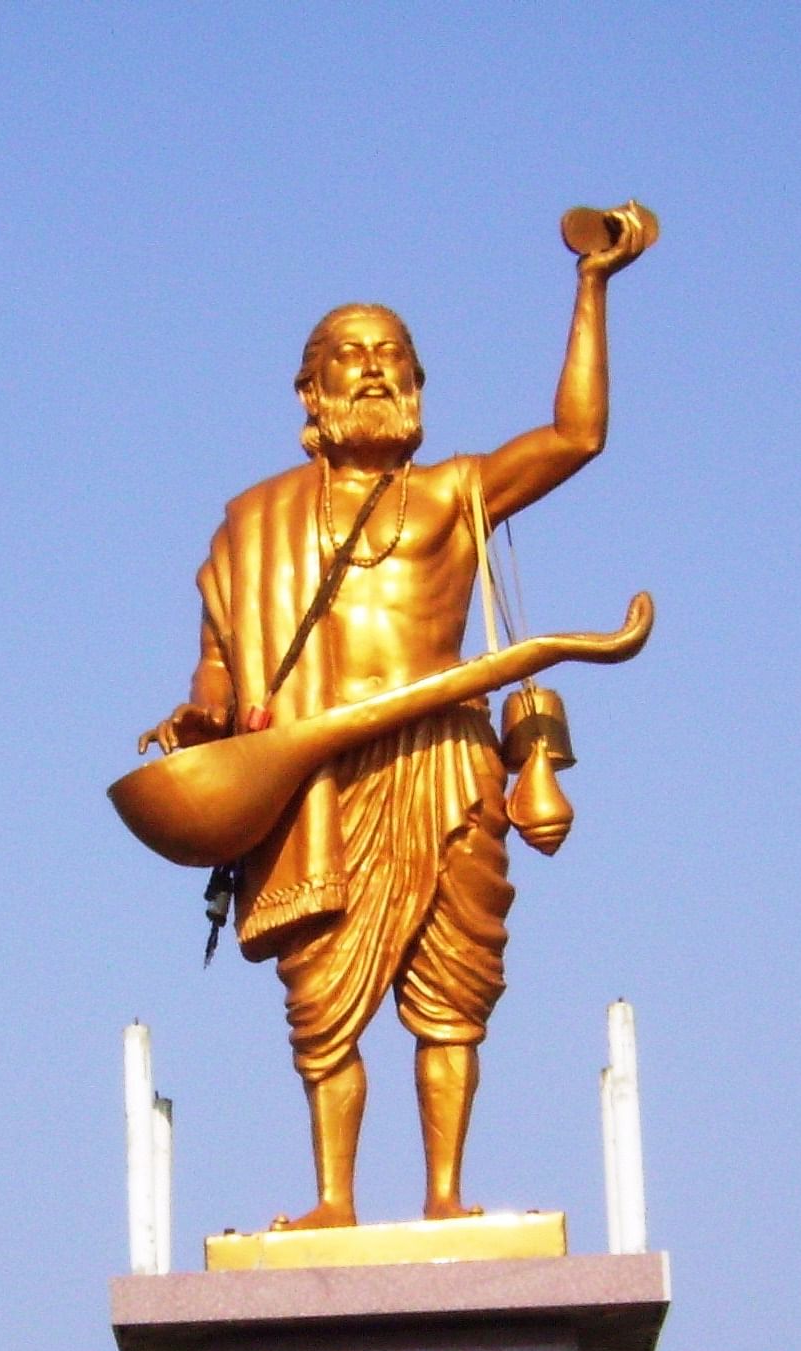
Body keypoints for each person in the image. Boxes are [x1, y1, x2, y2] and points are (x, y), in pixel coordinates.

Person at [139, 205, 650, 1230]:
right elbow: (216, 661)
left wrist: (590, 289)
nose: (372, 370)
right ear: (309, 390)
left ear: (415, 385)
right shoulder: (253, 524)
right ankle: (332, 1201)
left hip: (445, 762)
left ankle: (445, 1194)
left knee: (451, 987)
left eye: (391, 356)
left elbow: (574, 435)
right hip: (316, 779)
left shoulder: (454, 492)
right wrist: (200, 724)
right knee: (323, 1002)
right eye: (348, 356)